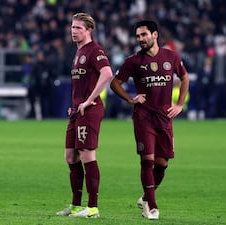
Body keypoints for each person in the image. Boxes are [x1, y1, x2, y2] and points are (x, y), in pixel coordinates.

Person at [110, 20, 189, 220]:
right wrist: (130, 99)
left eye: (144, 35)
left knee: (162, 164)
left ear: (155, 35)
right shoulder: (133, 61)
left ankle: (146, 195)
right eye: (138, 36)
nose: (140, 39)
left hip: (164, 117)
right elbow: (115, 82)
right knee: (147, 161)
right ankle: (152, 207)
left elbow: (184, 77)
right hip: (143, 116)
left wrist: (179, 104)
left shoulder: (171, 57)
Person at [56, 13, 113, 218]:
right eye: (72, 27)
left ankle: (93, 208)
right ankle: (75, 205)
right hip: (76, 111)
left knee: (87, 155)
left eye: (78, 28)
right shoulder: (79, 52)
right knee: (70, 156)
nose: (74, 31)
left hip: (89, 110)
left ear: (89, 30)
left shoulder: (95, 51)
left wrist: (89, 100)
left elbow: (107, 73)